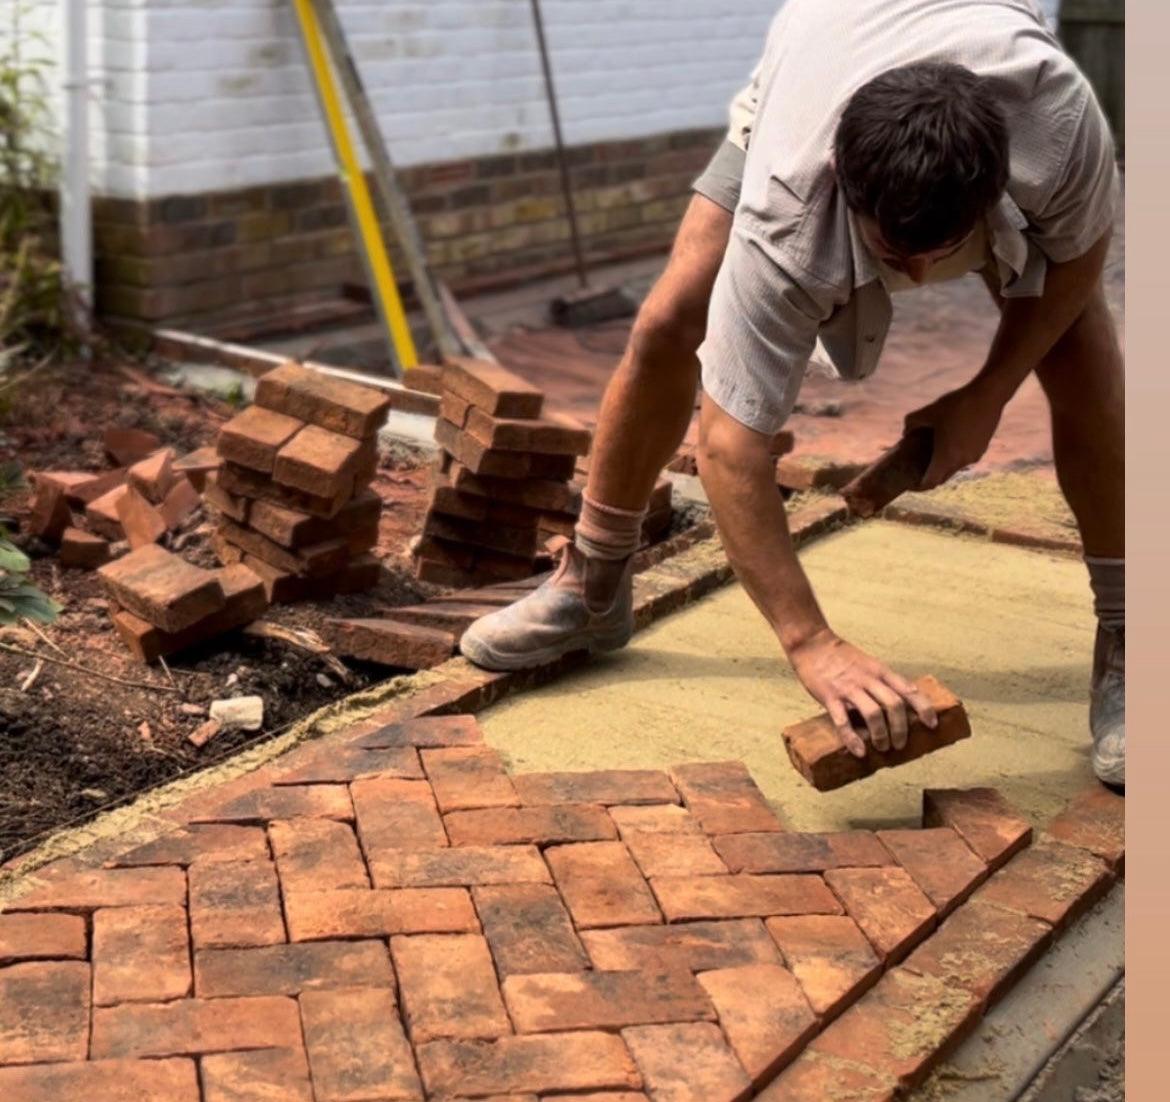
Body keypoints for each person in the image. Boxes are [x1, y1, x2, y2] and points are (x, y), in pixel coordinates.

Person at [460, 0, 1124, 787]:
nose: (912, 279)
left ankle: (1132, 630)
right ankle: (593, 581)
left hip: (972, 59)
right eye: (889, 251)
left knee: (1082, 356)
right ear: (846, 185)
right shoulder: (790, 204)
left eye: (940, 253)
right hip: (820, 59)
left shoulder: (1059, 123)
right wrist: (812, 643)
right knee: (671, 319)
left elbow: (1077, 261)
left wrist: (987, 393)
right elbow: (728, 449)